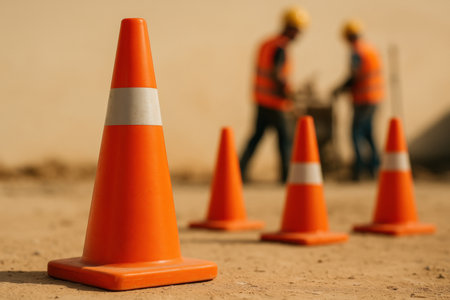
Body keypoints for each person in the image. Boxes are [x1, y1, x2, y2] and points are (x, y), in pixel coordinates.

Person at [240, 7, 309, 183]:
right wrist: (289, 93)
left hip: (261, 99)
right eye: (298, 30)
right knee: (285, 141)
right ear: (291, 28)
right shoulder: (280, 48)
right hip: (275, 103)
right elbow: (277, 75)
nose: (299, 35)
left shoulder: (267, 43)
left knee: (255, 138)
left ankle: (238, 172)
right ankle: (286, 177)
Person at [332, 20, 385, 181]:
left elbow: (355, 75)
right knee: (368, 134)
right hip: (375, 97)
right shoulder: (370, 48)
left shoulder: (357, 52)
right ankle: (375, 168)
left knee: (355, 134)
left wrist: (339, 89)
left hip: (363, 99)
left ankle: (359, 170)